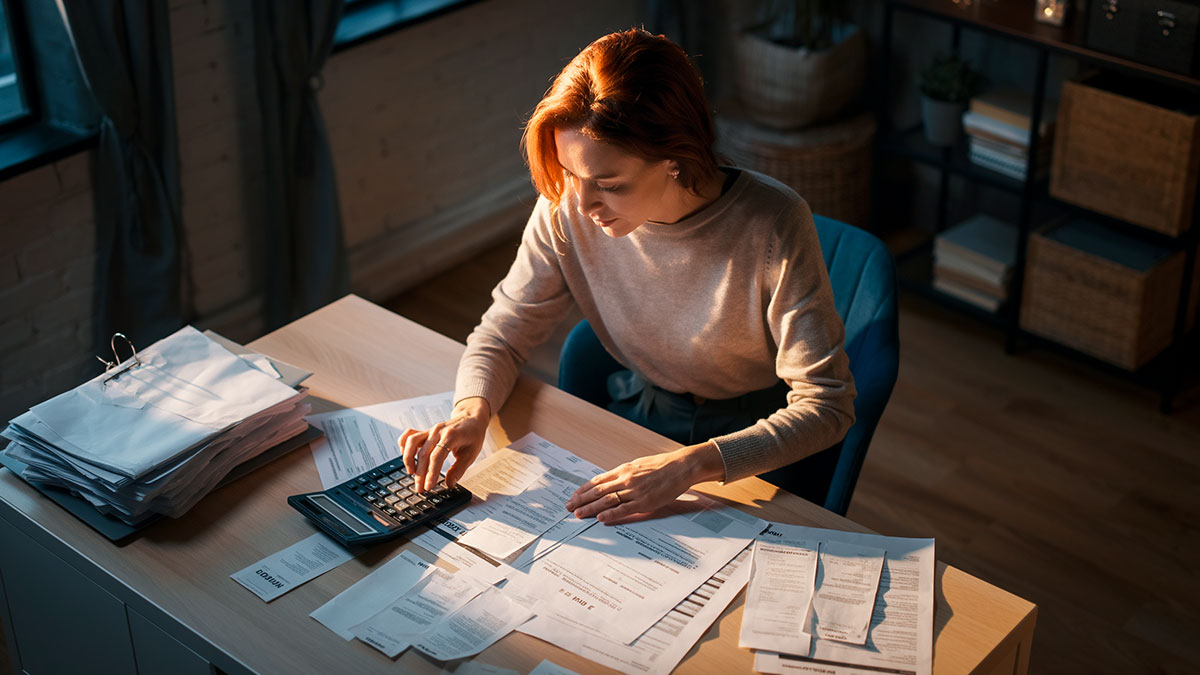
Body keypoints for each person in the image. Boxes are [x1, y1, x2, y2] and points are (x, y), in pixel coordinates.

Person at [400, 27, 855, 525]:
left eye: (609, 184)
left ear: (676, 160)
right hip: (641, 414)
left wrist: (691, 465)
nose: (580, 203)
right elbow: (503, 334)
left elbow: (827, 405)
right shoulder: (565, 209)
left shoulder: (774, 225)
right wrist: (470, 412)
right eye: (570, 174)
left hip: (751, 441)